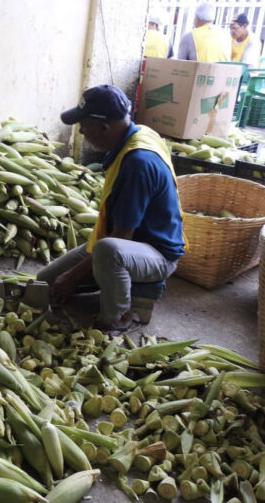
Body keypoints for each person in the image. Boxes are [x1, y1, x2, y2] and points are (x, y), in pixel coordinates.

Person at [37, 85, 187, 332]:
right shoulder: (133, 135)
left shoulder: (137, 164)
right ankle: (110, 281)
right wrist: (71, 276)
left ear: (104, 127)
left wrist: (73, 276)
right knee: (45, 283)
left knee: (107, 251)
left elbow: (121, 237)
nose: (82, 131)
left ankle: (118, 317)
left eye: (83, 127)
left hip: (156, 254)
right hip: (127, 244)